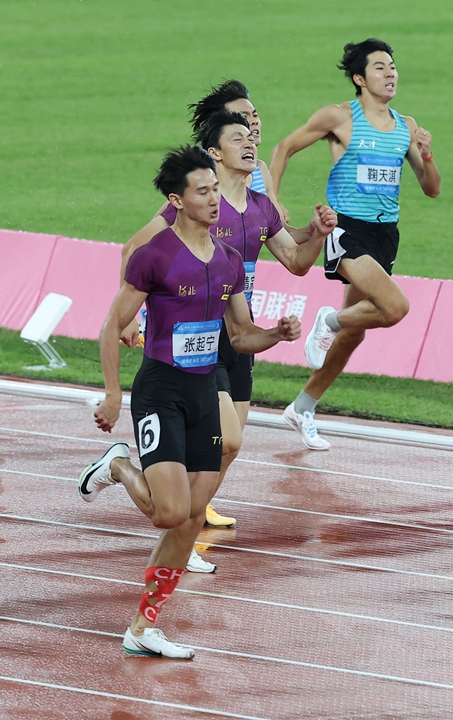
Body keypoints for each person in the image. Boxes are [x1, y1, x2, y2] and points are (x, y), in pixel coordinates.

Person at [77, 146, 301, 660]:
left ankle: (143, 626)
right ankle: (118, 465)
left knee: (191, 519)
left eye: (215, 189)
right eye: (203, 191)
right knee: (168, 513)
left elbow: (240, 336)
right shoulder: (153, 255)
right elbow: (113, 325)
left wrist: (277, 334)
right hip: (161, 393)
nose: (214, 199)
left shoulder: (225, 262)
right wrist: (114, 393)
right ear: (177, 200)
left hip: (204, 395)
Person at [117, 113, 335, 565]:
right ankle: (184, 529)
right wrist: (132, 314)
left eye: (254, 132)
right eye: (239, 135)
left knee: (230, 445)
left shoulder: (261, 207)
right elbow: (139, 253)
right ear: (215, 153)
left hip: (240, 329)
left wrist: (316, 235)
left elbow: (296, 261)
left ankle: (187, 522)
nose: (252, 139)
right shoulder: (190, 207)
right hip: (195, 339)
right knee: (228, 438)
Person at [269, 38, 441, 450]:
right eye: (380, 68)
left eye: (393, 66)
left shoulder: (406, 126)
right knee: (395, 307)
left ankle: (303, 407)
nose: (391, 73)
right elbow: (283, 148)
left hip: (386, 233)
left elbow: (431, 189)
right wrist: (272, 202)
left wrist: (428, 155)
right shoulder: (340, 117)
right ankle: (326, 321)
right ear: (359, 79)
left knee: (355, 332)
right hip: (347, 227)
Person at [185, 80, 284, 216]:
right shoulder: (204, 180)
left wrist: (315, 230)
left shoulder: (260, 171)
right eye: (244, 117)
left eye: (255, 115)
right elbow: (163, 228)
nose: (254, 121)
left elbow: (281, 230)